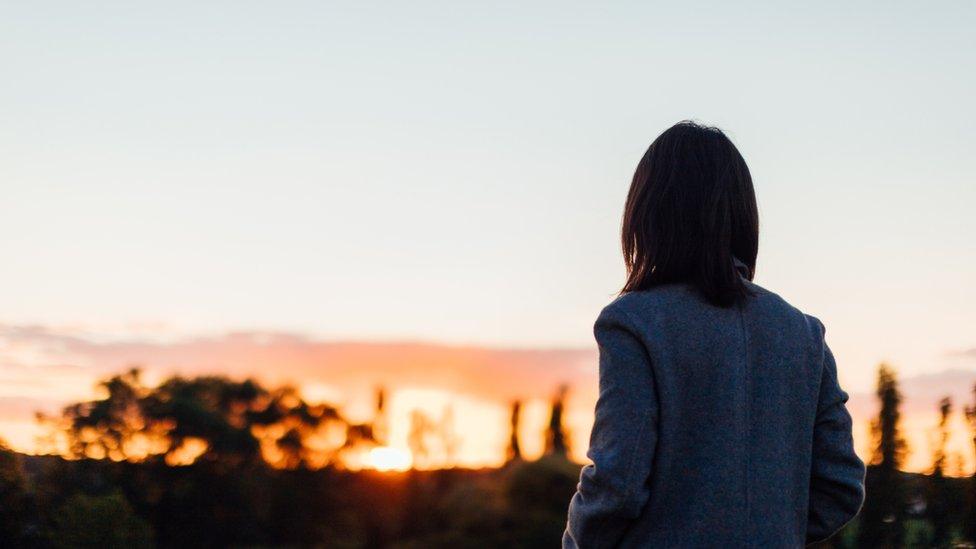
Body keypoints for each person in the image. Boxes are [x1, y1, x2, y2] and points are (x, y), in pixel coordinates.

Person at [563, 121, 865, 548]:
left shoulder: (633, 323)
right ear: (741, 215)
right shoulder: (803, 334)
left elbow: (618, 484)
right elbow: (841, 485)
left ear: (647, 215)